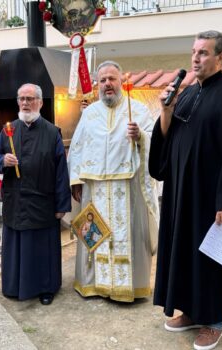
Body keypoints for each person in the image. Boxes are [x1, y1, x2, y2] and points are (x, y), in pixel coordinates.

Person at [149, 30, 222, 350]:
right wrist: (166, 111)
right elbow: (168, 145)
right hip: (183, 194)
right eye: (194, 52)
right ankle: (190, 310)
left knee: (214, 258)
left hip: (215, 199)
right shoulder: (184, 94)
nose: (196, 58)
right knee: (184, 252)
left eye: (203, 52)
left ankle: (212, 319)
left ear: (220, 57)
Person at [68, 60, 160, 303]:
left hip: (127, 189)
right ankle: (94, 285)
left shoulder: (138, 110)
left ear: (121, 80)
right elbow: (77, 147)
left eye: (112, 79)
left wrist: (140, 136)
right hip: (94, 188)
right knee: (93, 236)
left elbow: (156, 142)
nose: (107, 84)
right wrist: (75, 179)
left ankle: (129, 287)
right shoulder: (89, 113)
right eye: (103, 80)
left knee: (127, 235)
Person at [0, 83, 71, 305]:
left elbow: (62, 172)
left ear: (41, 103)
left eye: (30, 99)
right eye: (22, 99)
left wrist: (62, 205)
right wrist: (2, 160)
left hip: (43, 201)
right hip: (16, 200)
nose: (25, 103)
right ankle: (14, 286)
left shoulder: (52, 132)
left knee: (42, 248)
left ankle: (46, 287)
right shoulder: (8, 130)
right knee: (17, 246)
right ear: (17, 102)